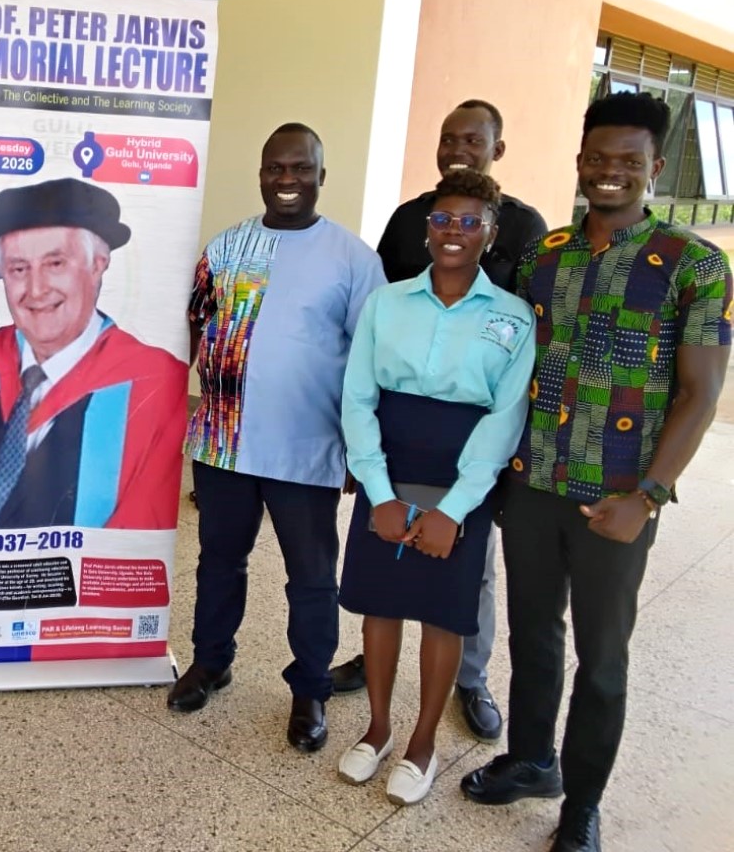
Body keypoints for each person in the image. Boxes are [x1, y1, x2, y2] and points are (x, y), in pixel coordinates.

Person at [461, 92, 731, 852]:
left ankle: (582, 801)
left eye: (630, 162)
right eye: (599, 158)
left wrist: (645, 498)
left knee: (603, 657)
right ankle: (531, 758)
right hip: (534, 484)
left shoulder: (695, 266)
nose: (611, 172)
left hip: (617, 500)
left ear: (653, 167)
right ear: (580, 159)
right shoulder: (545, 255)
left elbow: (700, 393)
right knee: (533, 634)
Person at [331, 99, 548, 742]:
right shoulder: (401, 237)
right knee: (385, 577)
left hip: (469, 446)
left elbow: (509, 397)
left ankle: (469, 680)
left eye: (472, 139)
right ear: (428, 225)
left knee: (460, 580)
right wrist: (370, 477)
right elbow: (361, 386)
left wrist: (459, 500)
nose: (453, 229)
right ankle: (378, 711)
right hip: (392, 439)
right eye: (448, 137)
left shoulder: (527, 236)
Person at [167, 122, 386, 753]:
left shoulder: (352, 258)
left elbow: (369, 364)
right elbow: (193, 330)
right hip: (224, 445)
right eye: (275, 168)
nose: (286, 180)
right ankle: (211, 661)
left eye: (300, 168)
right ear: (261, 173)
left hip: (308, 450)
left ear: (322, 175)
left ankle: (311, 687)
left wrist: (357, 448)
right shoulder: (226, 247)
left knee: (312, 578)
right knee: (218, 562)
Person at [0, 178, 186, 531]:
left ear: (98, 264)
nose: (35, 289)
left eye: (55, 264)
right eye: (19, 269)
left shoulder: (154, 382)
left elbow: (143, 529)